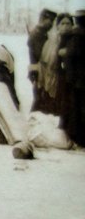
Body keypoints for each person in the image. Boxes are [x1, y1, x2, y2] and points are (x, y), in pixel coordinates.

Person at [37, 13, 73, 115]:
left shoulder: (74, 40)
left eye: (68, 23)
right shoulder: (52, 41)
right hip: (53, 78)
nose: (66, 26)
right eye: (63, 23)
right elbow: (46, 62)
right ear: (57, 26)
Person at [61, 9, 85, 147]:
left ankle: (78, 138)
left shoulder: (74, 37)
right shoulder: (77, 36)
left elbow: (69, 57)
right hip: (79, 80)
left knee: (77, 109)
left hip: (76, 80)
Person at [28, 8, 57, 110]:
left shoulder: (42, 32)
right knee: (40, 98)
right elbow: (38, 55)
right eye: (51, 21)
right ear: (44, 19)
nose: (52, 24)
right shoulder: (37, 34)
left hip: (39, 70)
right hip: (39, 71)